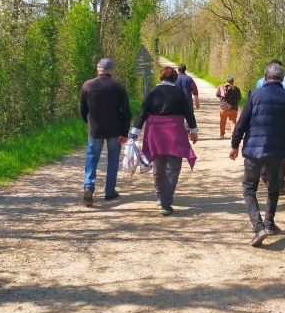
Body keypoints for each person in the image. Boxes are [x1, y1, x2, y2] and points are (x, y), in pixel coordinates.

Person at [230, 61, 285, 247]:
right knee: (273, 186)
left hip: (254, 149)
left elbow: (242, 123)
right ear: (282, 79)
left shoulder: (255, 94)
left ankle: (258, 227)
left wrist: (234, 144)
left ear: (265, 77)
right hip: (278, 152)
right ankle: (269, 223)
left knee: (249, 188)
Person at [130, 66, 198, 216]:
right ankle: (166, 203)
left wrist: (134, 133)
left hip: (155, 133)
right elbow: (189, 113)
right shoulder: (179, 92)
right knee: (173, 168)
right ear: (174, 78)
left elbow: (142, 114)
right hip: (175, 132)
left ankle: (160, 197)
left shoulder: (152, 92)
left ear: (161, 77)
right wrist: (193, 131)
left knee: (158, 165)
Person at [79, 58, 131, 207]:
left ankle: (89, 187)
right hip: (115, 130)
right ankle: (109, 191)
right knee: (113, 160)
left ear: (98, 69)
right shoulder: (118, 87)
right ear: (111, 71)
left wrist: (88, 123)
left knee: (91, 159)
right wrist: (124, 132)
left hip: (95, 130)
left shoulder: (87, 85)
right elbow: (126, 112)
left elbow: (83, 110)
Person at [255, 59, 285, 194]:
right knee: (282, 152)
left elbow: (259, 100)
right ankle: (279, 184)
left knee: (265, 148)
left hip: (265, 121)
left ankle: (264, 178)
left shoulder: (261, 82)